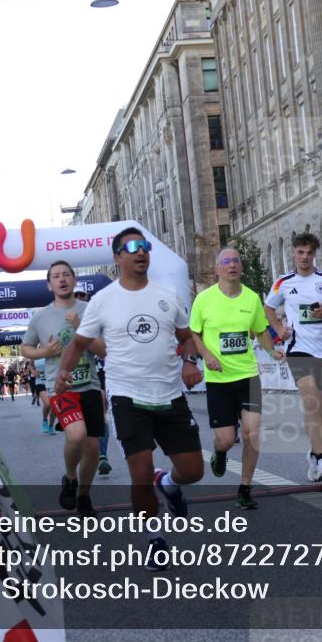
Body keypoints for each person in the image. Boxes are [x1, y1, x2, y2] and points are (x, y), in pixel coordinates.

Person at [57, 228, 204, 566]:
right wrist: (63, 373)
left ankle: (168, 484)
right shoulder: (103, 301)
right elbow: (78, 344)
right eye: (133, 248)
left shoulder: (167, 295)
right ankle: (155, 539)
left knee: (193, 470)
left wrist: (190, 361)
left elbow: (186, 337)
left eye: (145, 247)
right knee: (140, 470)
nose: (141, 253)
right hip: (127, 397)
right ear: (117, 257)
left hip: (169, 395)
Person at [190, 247, 284, 510]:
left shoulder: (252, 298)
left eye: (236, 261)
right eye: (226, 261)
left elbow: (260, 330)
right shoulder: (204, 300)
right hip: (219, 380)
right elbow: (194, 333)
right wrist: (206, 354)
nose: (232, 265)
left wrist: (271, 350)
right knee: (226, 439)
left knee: (251, 434)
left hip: (248, 376)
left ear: (241, 268)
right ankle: (220, 453)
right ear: (218, 268)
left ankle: (245, 487)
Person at [22, 260, 108, 517]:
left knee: (93, 448)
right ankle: (70, 477)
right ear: (49, 285)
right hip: (60, 387)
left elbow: (104, 350)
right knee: (76, 435)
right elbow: (26, 347)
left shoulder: (90, 310)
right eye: (56, 276)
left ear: (74, 280)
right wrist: (43, 352)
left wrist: (81, 327)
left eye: (66, 275)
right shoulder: (41, 316)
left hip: (90, 385)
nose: (62, 279)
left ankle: (83, 496)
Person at [265, 232, 322, 482]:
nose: (304, 257)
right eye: (300, 252)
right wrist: (279, 329)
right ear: (294, 253)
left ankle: (314, 454)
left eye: (309, 253)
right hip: (298, 350)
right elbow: (268, 307)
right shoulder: (283, 282)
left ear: (314, 254)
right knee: (311, 399)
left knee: (321, 408)